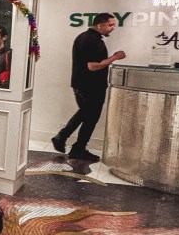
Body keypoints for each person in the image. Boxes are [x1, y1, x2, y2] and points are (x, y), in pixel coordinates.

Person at [51, 12, 126, 162]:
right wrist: (114, 57)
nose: (112, 28)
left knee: (89, 116)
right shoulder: (90, 40)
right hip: (89, 86)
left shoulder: (88, 38)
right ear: (100, 25)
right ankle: (64, 138)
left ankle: (76, 147)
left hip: (87, 85)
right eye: (110, 25)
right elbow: (92, 66)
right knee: (88, 114)